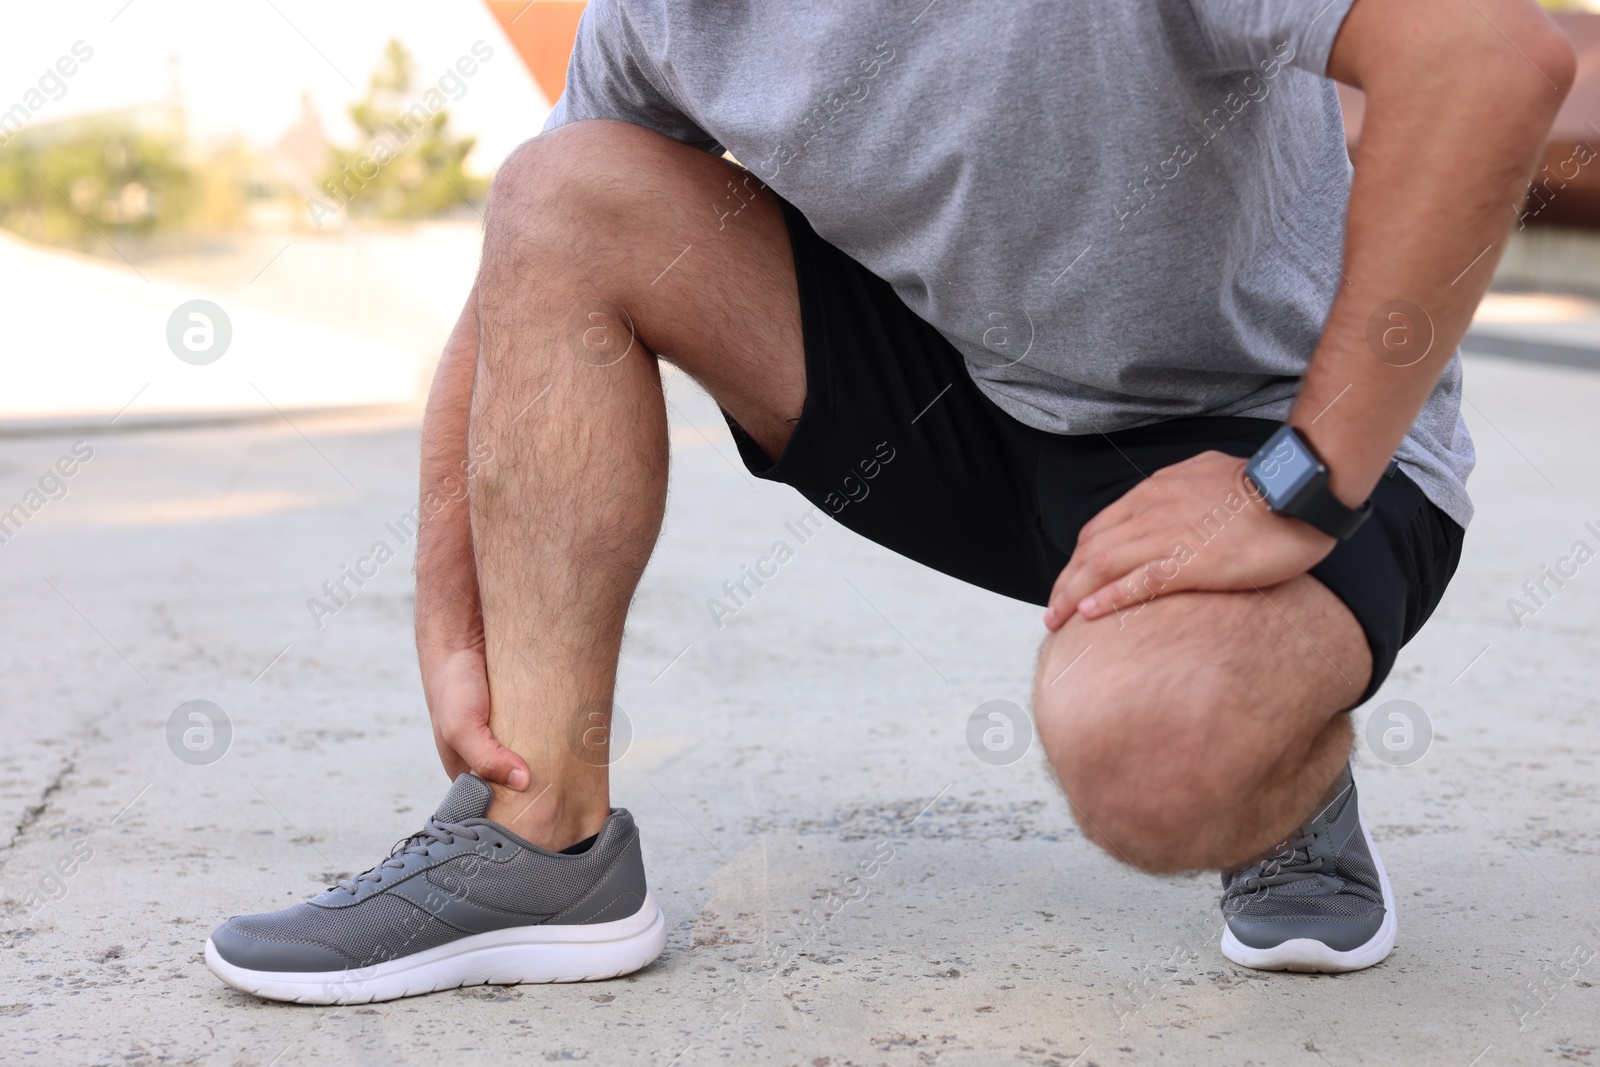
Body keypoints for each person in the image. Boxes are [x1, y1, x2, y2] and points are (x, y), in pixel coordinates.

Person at [203, 0, 1573, 1003]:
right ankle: (538, 833)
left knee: (1155, 757)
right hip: (970, 411)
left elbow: (1493, 59)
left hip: (1266, 434)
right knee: (564, 188)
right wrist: (453, 618)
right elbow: (525, 265)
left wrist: (1304, 471)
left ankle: (1288, 777)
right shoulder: (663, 15)